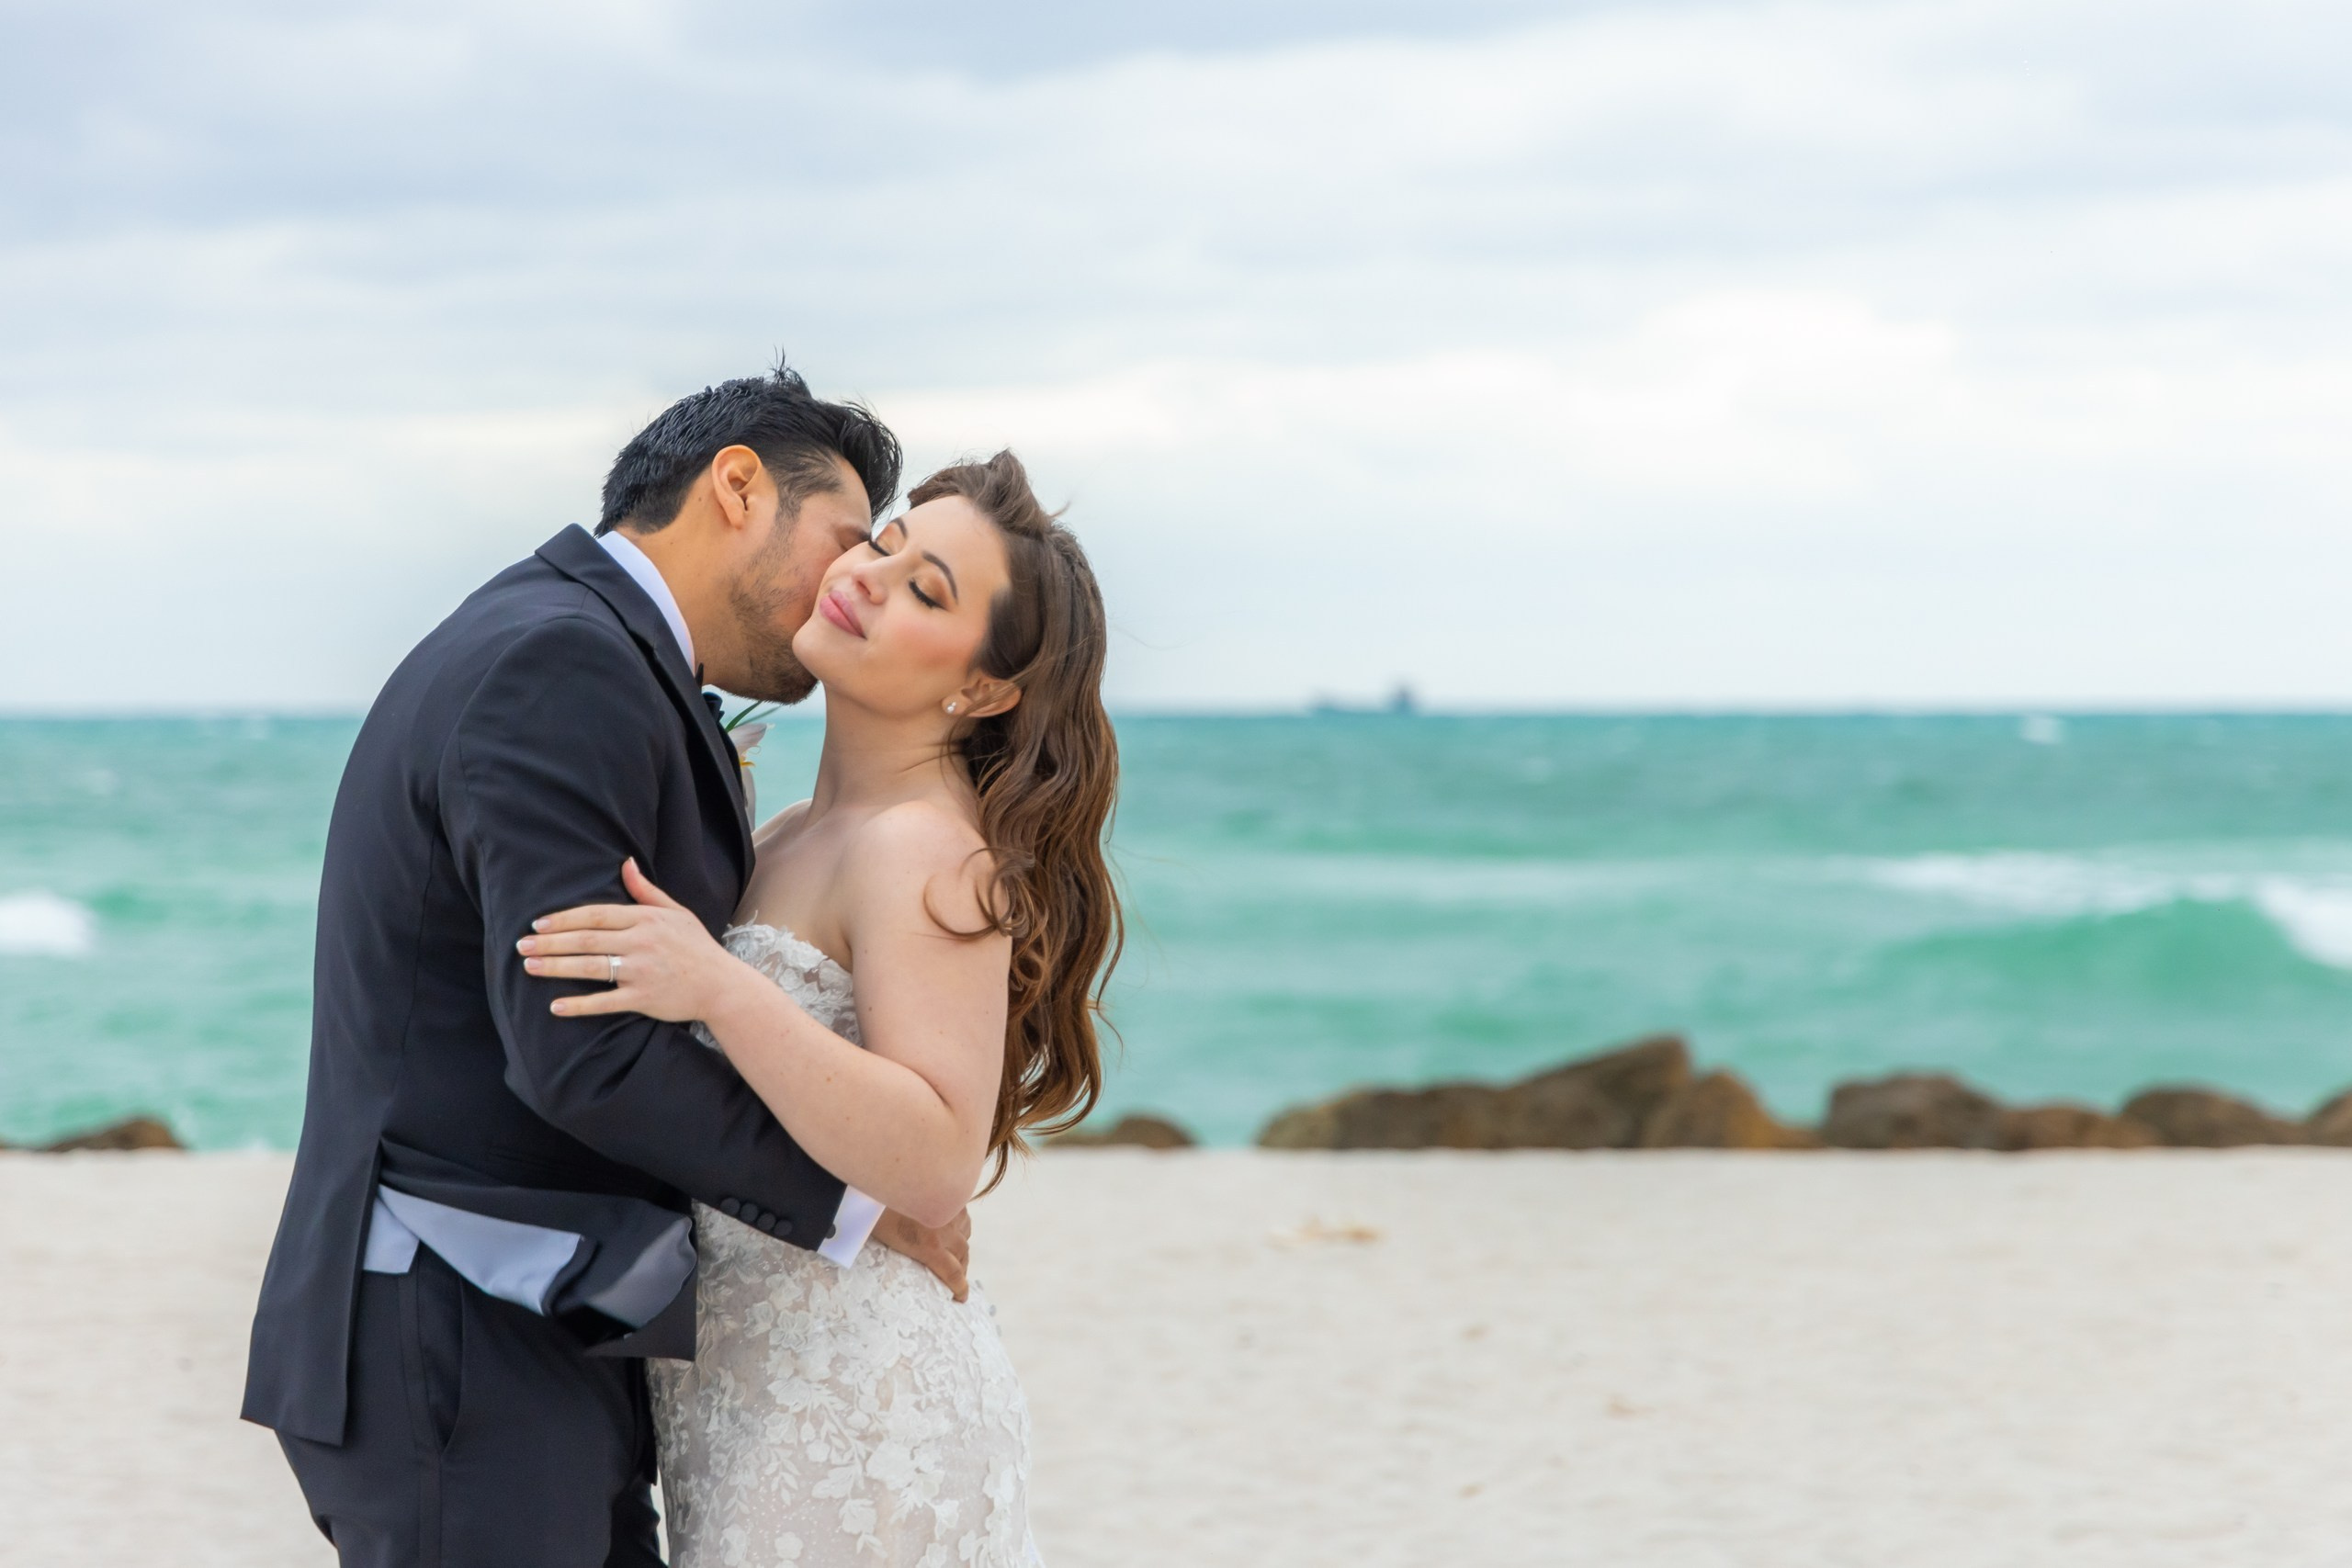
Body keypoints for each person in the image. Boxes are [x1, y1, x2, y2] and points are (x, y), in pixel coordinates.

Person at [243, 367, 973, 1567]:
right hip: (457, 1336)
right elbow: (581, 1048)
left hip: (538, 1327)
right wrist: (856, 1202)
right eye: (846, 541)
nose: (849, 582)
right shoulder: (562, 663)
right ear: (738, 487)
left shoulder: (578, 643)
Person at [520, 450, 1120, 1566]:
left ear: (984, 689)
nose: (868, 578)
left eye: (925, 591)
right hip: (746, 1396)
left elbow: (936, 1161)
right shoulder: (789, 831)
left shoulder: (927, 851)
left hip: (857, 1406)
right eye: (886, 544)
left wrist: (719, 985)